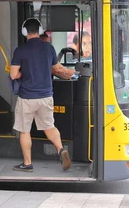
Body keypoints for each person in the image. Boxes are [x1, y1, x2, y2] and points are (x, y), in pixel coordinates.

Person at [10, 18, 76, 172]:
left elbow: (13, 75)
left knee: (24, 130)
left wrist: (22, 73)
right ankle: (60, 150)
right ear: (39, 31)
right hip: (46, 96)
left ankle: (27, 163)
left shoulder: (21, 50)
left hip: (27, 97)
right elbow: (58, 69)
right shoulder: (49, 48)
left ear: (25, 32)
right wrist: (70, 73)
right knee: (49, 126)